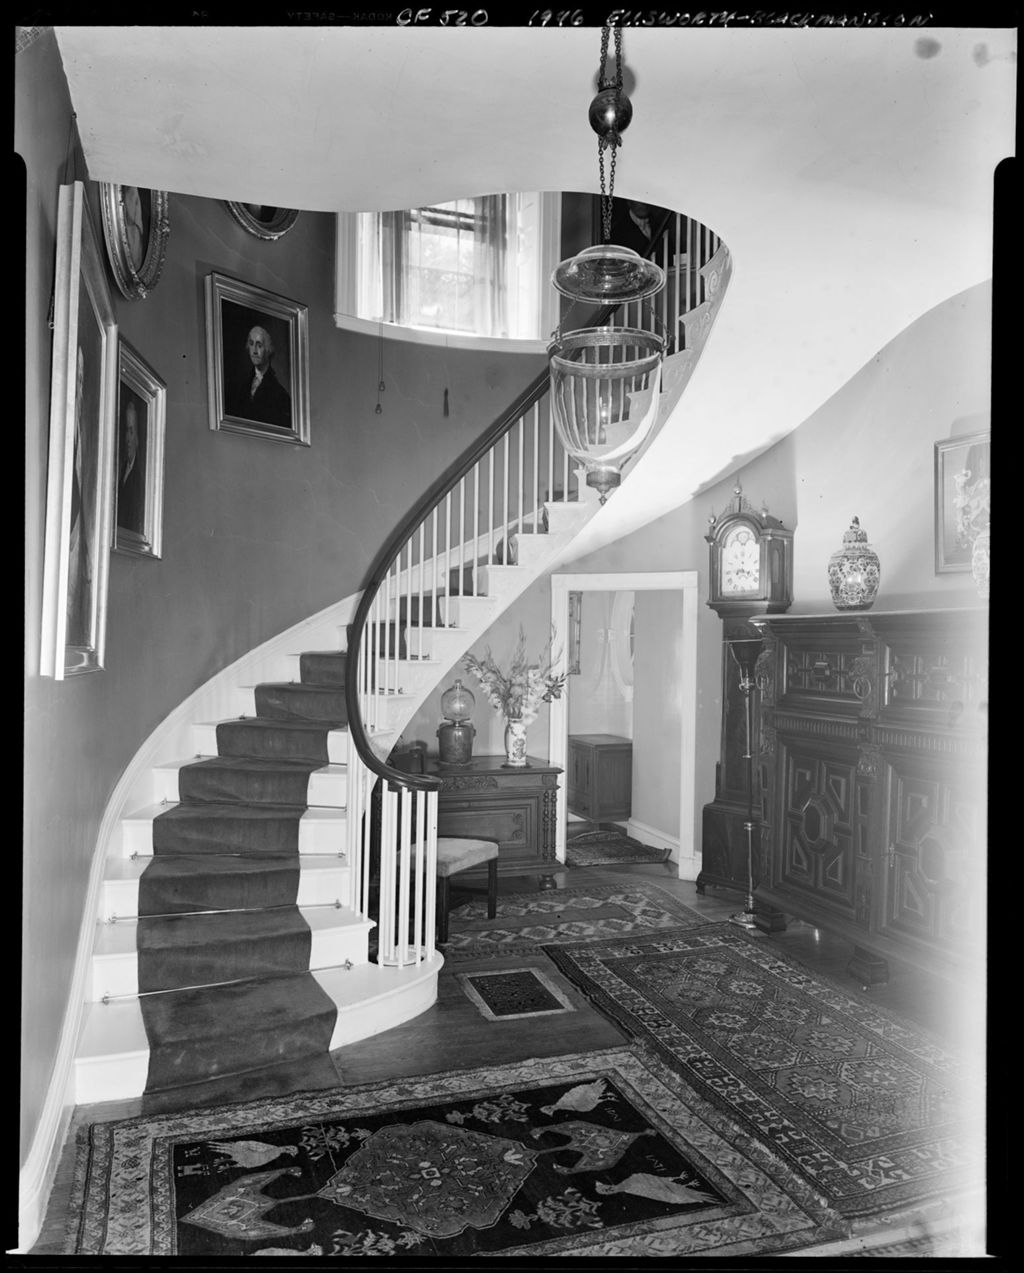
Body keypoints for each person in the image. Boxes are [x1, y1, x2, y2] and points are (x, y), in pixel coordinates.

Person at [226, 324, 292, 429]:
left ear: (268, 350)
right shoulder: (242, 385)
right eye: (251, 344)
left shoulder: (280, 394)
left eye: (259, 345)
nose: (254, 351)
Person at [117, 397, 145, 535]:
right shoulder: (122, 470)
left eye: (131, 432)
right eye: (126, 432)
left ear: (138, 440)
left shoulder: (137, 479)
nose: (128, 439)